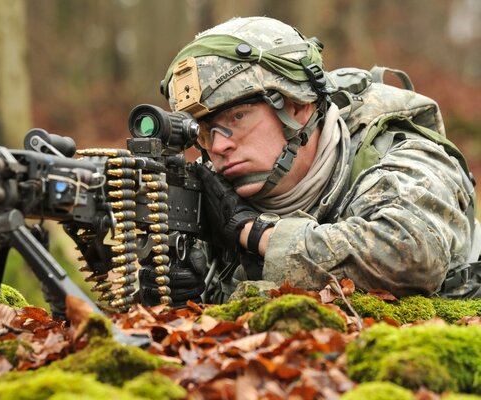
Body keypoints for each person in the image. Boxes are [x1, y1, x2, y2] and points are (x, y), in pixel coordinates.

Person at [139, 16, 481, 306]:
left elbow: (411, 256)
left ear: (298, 106)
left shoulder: (397, 152)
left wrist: (252, 233)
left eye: (238, 117)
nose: (218, 147)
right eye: (204, 132)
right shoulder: (213, 195)